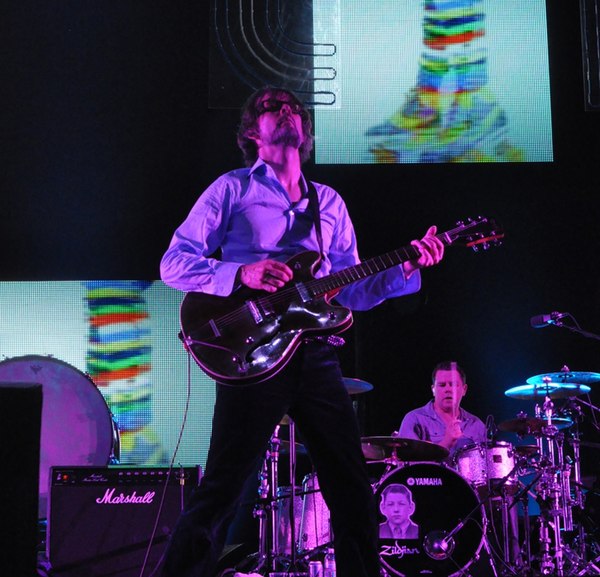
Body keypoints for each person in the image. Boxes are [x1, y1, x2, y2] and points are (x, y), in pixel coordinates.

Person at [158, 86, 445, 577]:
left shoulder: (328, 202)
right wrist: (239, 274)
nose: (286, 109)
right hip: (254, 354)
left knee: (351, 484)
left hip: (314, 352)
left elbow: (350, 289)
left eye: (293, 107)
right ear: (253, 130)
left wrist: (407, 267)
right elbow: (173, 263)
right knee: (224, 487)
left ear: (305, 131)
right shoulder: (232, 189)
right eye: (272, 106)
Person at [397, 361, 486, 459]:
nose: (448, 389)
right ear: (433, 389)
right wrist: (446, 442)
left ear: (464, 389)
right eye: (442, 385)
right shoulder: (415, 419)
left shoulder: (476, 424)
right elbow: (408, 464)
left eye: (453, 384)